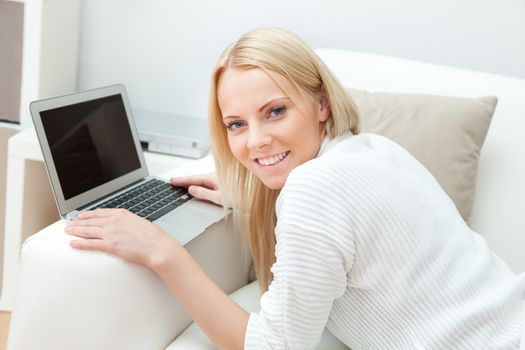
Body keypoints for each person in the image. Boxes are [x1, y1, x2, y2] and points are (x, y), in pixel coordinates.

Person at [65, 27, 525, 349]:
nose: (256, 141)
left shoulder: (313, 191)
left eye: (276, 111)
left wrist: (162, 252)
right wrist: (253, 196)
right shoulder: (373, 150)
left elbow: (274, 346)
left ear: (321, 102)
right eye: (236, 124)